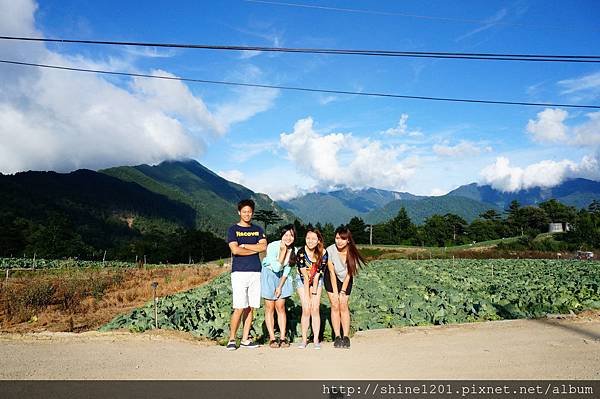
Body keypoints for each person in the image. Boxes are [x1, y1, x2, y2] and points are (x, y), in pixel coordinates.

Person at [226, 199, 267, 350]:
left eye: (249, 212)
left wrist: (245, 245)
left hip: (255, 271)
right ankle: (231, 339)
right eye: (244, 211)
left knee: (251, 307)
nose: (247, 214)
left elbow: (263, 246)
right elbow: (235, 250)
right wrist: (254, 248)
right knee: (239, 306)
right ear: (239, 212)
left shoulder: (258, 229)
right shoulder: (233, 229)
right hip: (239, 272)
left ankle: (245, 339)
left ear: (252, 213)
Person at [325, 226, 366, 349]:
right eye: (337, 238)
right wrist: (336, 293)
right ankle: (337, 336)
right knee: (335, 304)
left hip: (346, 279)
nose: (339, 241)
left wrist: (342, 291)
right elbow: (331, 272)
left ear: (348, 240)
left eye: (343, 239)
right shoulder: (330, 250)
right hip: (331, 278)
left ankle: (346, 336)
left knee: (343, 304)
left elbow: (349, 274)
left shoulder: (352, 252)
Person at [261, 224, 296, 348]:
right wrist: (282, 251)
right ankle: (272, 338)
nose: (288, 238)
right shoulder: (272, 246)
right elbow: (276, 267)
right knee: (269, 307)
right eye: (286, 235)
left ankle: (282, 337)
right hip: (269, 275)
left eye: (291, 235)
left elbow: (287, 270)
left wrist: (280, 286)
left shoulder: (294, 250)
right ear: (281, 235)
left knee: (280, 306)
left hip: (282, 277)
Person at [295, 228, 328, 349]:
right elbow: (304, 275)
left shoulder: (323, 253)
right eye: (308, 238)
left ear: (318, 240)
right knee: (306, 309)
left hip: (316, 280)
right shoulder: (301, 253)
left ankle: (315, 340)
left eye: (314, 238)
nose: (310, 241)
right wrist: (307, 296)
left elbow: (318, 274)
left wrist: (313, 293)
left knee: (315, 308)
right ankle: (304, 340)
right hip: (302, 280)